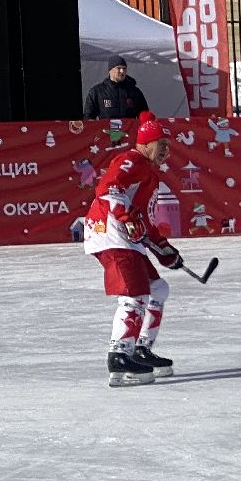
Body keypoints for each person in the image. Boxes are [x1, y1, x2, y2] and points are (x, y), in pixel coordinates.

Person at [82, 113, 181, 386]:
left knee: (158, 289)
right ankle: (118, 355)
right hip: (111, 232)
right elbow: (108, 188)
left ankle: (140, 348)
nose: (166, 151)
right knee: (135, 294)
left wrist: (164, 249)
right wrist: (127, 217)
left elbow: (144, 222)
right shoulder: (132, 159)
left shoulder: (149, 173)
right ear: (147, 143)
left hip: (125, 235)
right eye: (162, 144)